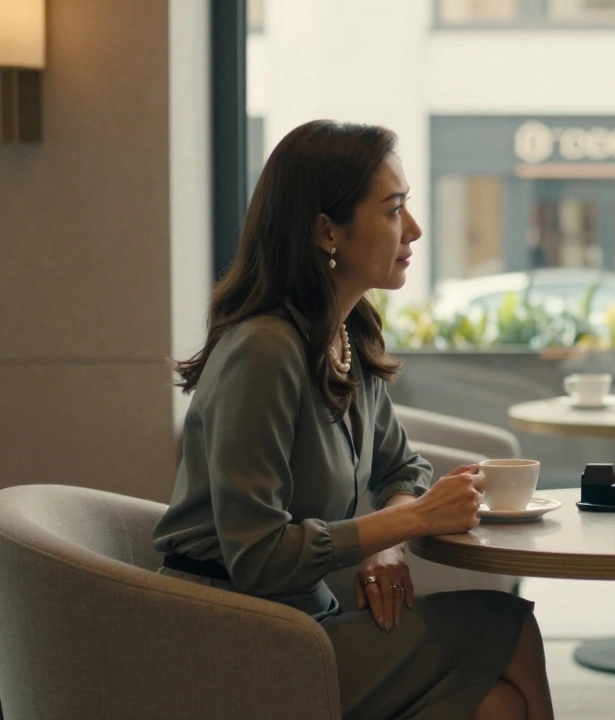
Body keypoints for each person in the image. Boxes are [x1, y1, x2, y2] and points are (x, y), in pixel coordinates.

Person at [153, 120, 555, 720]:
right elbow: (257, 557)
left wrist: (387, 540)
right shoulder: (264, 350)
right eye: (394, 211)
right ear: (325, 231)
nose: (413, 230)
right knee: (508, 624)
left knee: (496, 706)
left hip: (304, 619)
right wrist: (410, 520)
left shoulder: (345, 332)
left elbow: (404, 465)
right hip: (232, 637)